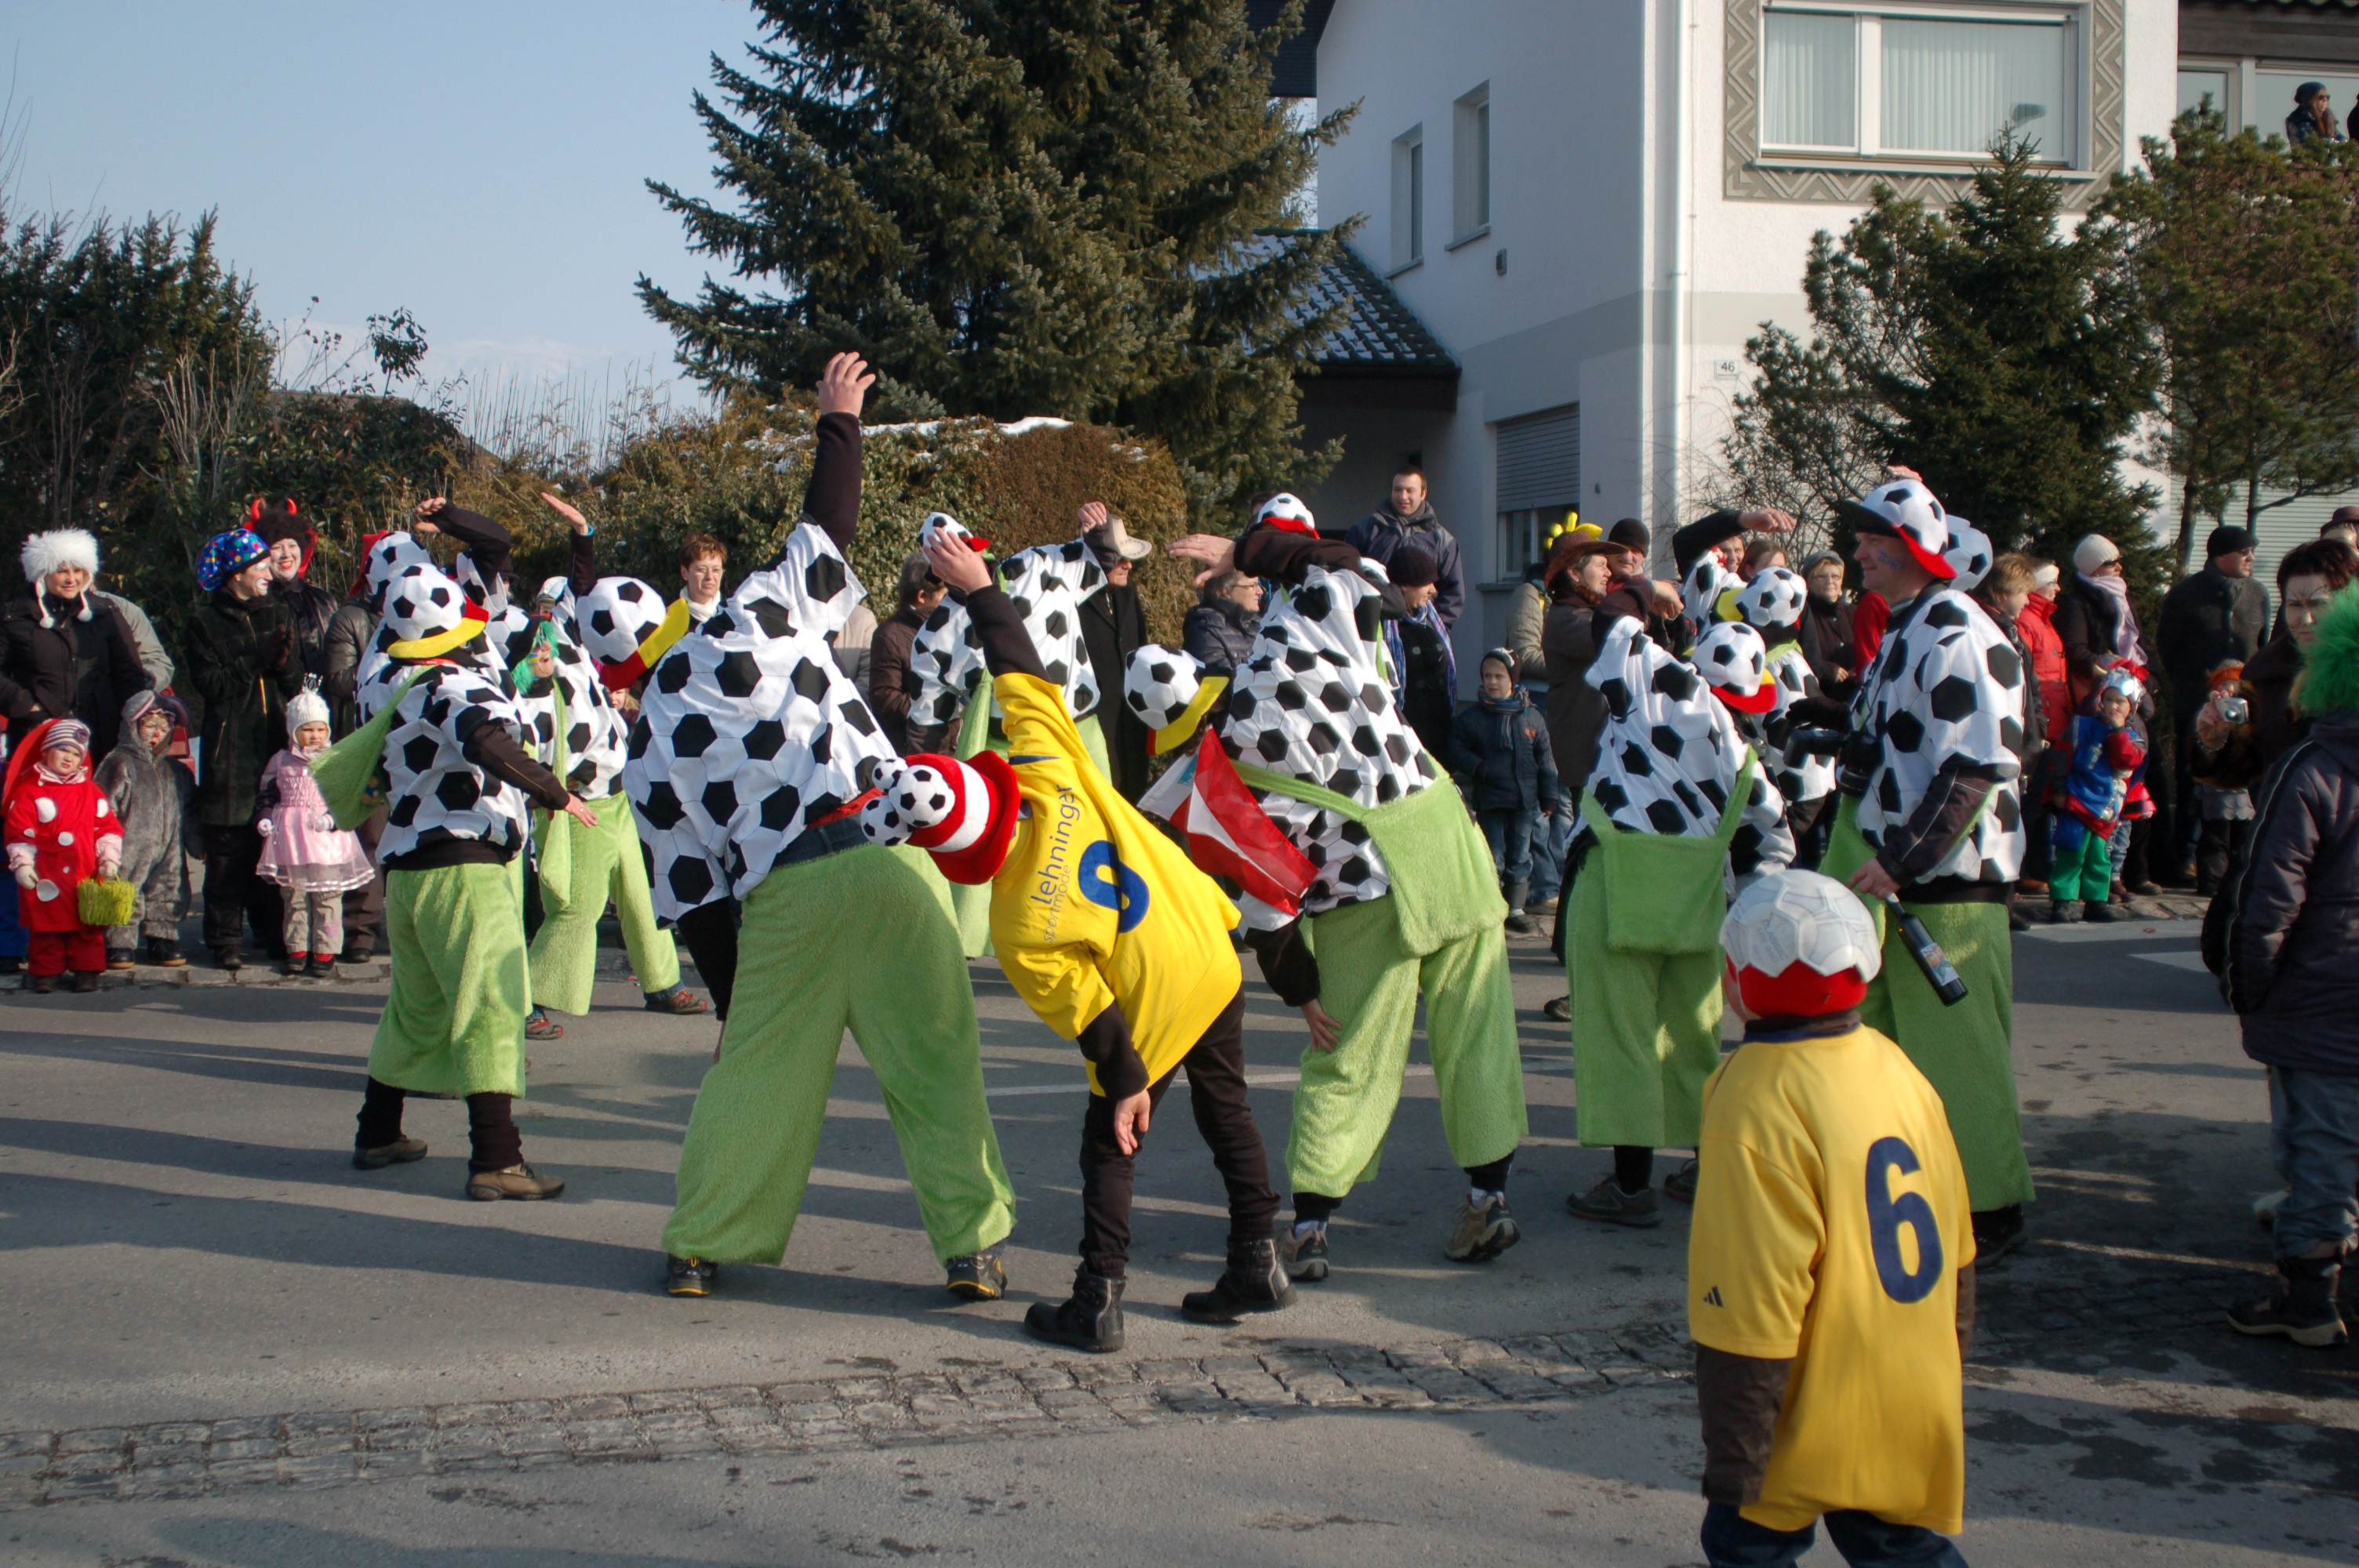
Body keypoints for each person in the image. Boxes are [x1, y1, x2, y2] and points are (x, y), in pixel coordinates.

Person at [613, 353, 1018, 1300]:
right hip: (884, 858)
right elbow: (826, 527)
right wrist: (839, 418)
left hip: (785, 893)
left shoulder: (650, 730)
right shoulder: (759, 615)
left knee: (755, 1077)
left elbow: (692, 890)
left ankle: (699, 1244)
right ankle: (972, 1247)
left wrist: (735, 1005)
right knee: (935, 1066)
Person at [874, 530, 1288, 1351]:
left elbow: (1094, 1017)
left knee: (1110, 1141)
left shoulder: (1016, 921)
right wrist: (979, 585)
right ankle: (1257, 1257)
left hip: (1150, 995)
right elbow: (1017, 661)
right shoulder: (1049, 763)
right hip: (1206, 944)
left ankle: (1097, 1297)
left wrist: (1127, 1082)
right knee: (1228, 1108)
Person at [1157, 494, 1530, 1277]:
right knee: (1478, 1035)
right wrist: (1252, 551)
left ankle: (1312, 1226)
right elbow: (1354, 568)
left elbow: (1263, 896)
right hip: (1447, 845)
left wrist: (1301, 992)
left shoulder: (1230, 742)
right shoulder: (1332, 627)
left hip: (1364, 887)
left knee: (1347, 1051)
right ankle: (1488, 1198)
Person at [1691, 870, 1976, 1568]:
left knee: (1745, 1545)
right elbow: (1960, 1250)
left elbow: (1750, 1299)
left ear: (1737, 979)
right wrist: (1949, 1363)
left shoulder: (1754, 1097)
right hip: (1909, 1383)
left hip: (1812, 1401)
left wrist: (1737, 1459)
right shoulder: (1896, 1065)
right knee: (1895, 1545)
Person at [334, 560, 599, 1198]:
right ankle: (496, 1159)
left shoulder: (385, 681)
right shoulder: (450, 682)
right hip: (464, 867)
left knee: (415, 1009)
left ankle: (378, 1132)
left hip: (407, 871)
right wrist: (555, 792)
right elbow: (484, 740)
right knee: (492, 1007)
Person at [1820, 477, 2033, 1265]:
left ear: (1910, 546)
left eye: (1873, 540)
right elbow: (1898, 738)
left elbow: (1976, 765)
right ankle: (1912, 1191)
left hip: (1943, 883)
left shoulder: (1956, 629)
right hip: (1901, 872)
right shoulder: (1911, 624)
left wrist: (1900, 860)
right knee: (1890, 1051)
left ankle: (1988, 1208)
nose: (1858, 553)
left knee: (1959, 1056)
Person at [1563, 586, 1793, 1228]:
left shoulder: (1664, 688)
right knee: (1693, 1039)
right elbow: (1770, 850)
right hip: (1699, 904)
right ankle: (1709, 1164)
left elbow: (1610, 622)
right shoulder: (1748, 763)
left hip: (1616, 885)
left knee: (1621, 1037)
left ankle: (1630, 1185)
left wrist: (1648, 592)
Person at [2221, 581, 2359, 1348]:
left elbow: (2266, 897)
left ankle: (2308, 1297)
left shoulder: (2312, 767)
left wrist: (2251, 990)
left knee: (2319, 1147)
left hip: (2319, 992)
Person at [510, 553, 704, 1027]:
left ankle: (663, 982)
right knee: (578, 906)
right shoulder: (541, 656)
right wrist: (556, 787)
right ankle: (522, 1001)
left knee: (642, 896)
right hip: (579, 802)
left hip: (616, 797)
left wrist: (584, 538)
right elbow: (529, 723)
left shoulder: (580, 651)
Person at [186, 527, 304, 971]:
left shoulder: (279, 612)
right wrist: (255, 660)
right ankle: (225, 939)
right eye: (259, 566)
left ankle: (273, 933)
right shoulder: (205, 621)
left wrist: (283, 663)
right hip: (229, 750)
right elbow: (212, 686)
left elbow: (295, 684)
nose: (269, 573)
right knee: (229, 849)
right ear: (236, 573)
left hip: (276, 745)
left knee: (273, 840)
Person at [2194, 539, 2359, 793]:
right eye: (2295, 605)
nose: (2305, 619)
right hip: (2285, 815)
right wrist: (2214, 741)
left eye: (2319, 604)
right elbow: (2246, 771)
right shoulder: (2266, 676)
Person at [1539, 529, 1620, 1018]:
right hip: (1589, 760)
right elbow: (1615, 635)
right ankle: (1578, 975)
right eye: (1599, 563)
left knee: (1598, 865)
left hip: (1606, 759)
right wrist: (1646, 591)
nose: (1609, 570)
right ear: (1573, 572)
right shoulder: (1567, 618)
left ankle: (1588, 974)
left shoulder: (1592, 612)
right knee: (1589, 866)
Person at [2159, 526, 2267, 884]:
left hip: (2244, 702)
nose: (2251, 558)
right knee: (2193, 776)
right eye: (2244, 551)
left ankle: (2238, 859)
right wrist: (2191, 685)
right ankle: (2186, 857)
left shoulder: (2257, 593)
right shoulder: (2186, 594)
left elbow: (2263, 644)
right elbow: (2168, 646)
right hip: (2195, 700)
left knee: (2242, 773)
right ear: (2221, 555)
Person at [1, 530, 151, 760]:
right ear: (42, 573)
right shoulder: (14, 618)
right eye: (62, 571)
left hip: (102, 738)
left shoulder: (106, 614)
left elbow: (129, 675)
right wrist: (27, 706)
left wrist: (134, 722)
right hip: (37, 737)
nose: (71, 579)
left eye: (78, 571)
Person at [253, 688, 373, 976]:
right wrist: (265, 818)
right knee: (294, 897)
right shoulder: (281, 761)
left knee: (327, 898)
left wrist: (333, 818)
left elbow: (346, 797)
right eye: (307, 730)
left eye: (320, 729)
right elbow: (267, 795)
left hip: (326, 841)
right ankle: (296, 948)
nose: (315, 736)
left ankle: (325, 949)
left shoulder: (335, 759)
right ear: (294, 731)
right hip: (292, 840)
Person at [3, 717, 124, 993]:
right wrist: (22, 864)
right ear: (47, 751)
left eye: (76, 753)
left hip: (84, 872)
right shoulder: (30, 792)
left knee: (87, 926)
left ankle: (86, 972)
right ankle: (47, 972)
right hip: (46, 875)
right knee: (46, 927)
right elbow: (20, 831)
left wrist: (109, 858)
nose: (69, 758)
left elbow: (107, 828)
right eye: (62, 749)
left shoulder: (90, 791)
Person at [1447, 649, 1561, 936]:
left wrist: (1549, 796)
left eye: (1499, 676)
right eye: (1487, 676)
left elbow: (1546, 759)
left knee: (1521, 856)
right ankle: (1491, 905)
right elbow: (1456, 748)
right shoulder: (1473, 718)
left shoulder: (1531, 717)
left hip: (1525, 801)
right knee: (1493, 855)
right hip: (1491, 800)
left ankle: (1515, 908)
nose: (1492, 682)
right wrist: (1478, 767)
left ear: (1513, 679)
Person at [1737, 568, 1838, 871]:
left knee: (1783, 862)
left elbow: (1782, 729)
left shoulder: (1778, 665)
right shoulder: (1785, 657)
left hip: (1799, 790)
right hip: (1806, 785)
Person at [94, 690, 191, 969]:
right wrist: (102, 843)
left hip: (169, 845)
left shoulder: (176, 771)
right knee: (126, 886)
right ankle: (119, 940)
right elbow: (102, 806)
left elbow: (191, 809)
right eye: (150, 726)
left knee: (169, 886)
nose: (157, 734)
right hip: (129, 845)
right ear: (133, 726)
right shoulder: (120, 762)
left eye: (164, 728)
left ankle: (162, 937)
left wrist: (197, 841)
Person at [2047, 669, 2145, 925]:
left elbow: (2126, 760)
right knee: (2071, 850)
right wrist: (2060, 788)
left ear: (2131, 708)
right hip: (2076, 798)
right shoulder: (2081, 726)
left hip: (2106, 805)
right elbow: (2062, 755)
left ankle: (2096, 901)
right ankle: (2062, 901)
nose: (2113, 706)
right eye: (2109, 699)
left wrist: (2118, 732)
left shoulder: (2133, 738)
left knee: (2098, 855)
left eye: (2120, 702)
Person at [1078, 504, 1153, 801]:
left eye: (1128, 557)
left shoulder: (1127, 592)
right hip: (1093, 729)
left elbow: (1140, 649)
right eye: (1118, 558)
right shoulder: (1074, 601)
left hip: (1132, 728)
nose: (1128, 565)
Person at [1347, 463, 1466, 630]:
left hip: (1421, 630)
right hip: (1374, 627)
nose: (1403, 497)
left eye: (1410, 491)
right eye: (1397, 490)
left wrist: (1432, 629)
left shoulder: (1442, 540)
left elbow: (1453, 594)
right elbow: (1348, 576)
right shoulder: (1365, 530)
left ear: (1423, 494)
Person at [2015, 561, 2068, 892]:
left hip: (2054, 722)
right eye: (2052, 582)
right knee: (2030, 802)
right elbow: (2028, 673)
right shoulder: (2028, 621)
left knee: (2043, 800)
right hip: (2039, 722)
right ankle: (2021, 870)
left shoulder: (2045, 620)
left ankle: (2037, 866)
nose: (2057, 588)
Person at [867, 553, 946, 755]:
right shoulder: (889, 635)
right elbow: (885, 699)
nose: (950, 604)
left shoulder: (950, 629)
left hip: (946, 747)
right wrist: (940, 705)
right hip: (911, 750)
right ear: (922, 596)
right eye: (944, 597)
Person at [252, 499, 340, 681]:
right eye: (277, 547)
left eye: (292, 545)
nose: (287, 554)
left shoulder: (324, 600)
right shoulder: (255, 604)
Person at [1384, 545, 1457, 759]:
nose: (1434, 590)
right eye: (1427, 583)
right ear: (1405, 586)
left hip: (1441, 732)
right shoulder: (1385, 626)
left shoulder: (1431, 618)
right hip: (1406, 734)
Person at [1797, 552, 1856, 702]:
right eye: (1821, 577)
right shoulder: (1802, 614)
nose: (1830, 581)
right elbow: (1795, 653)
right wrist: (1826, 670)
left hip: (1855, 698)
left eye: (1836, 576)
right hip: (1819, 698)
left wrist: (1863, 668)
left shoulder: (1854, 613)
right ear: (1809, 582)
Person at [1183, 569, 1262, 678]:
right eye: (1253, 585)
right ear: (1227, 591)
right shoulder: (1205, 632)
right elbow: (1223, 683)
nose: (1260, 591)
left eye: (1259, 585)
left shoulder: (1257, 623)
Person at [678, 534, 728, 624]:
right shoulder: (671, 620)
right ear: (684, 573)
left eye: (716, 570)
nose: (709, 577)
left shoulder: (734, 616)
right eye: (702, 570)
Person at [2287, 81, 2343, 145]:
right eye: (2321, 97)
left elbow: (2340, 137)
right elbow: (2308, 142)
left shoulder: (2327, 118)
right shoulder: (2301, 119)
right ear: (2309, 99)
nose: (2325, 100)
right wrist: (2333, 143)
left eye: (2327, 97)